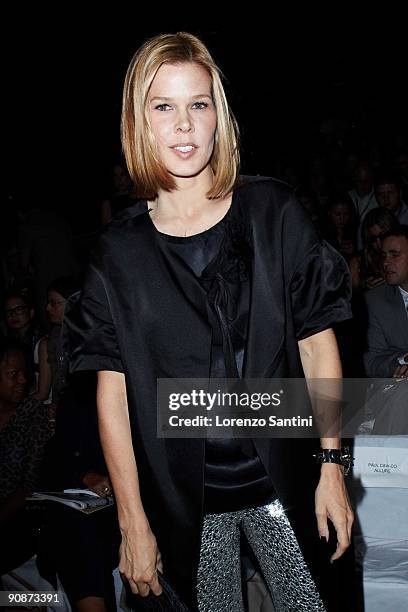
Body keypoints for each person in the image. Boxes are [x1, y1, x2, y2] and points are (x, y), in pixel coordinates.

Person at [65, 32, 354, 611]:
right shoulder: (115, 256)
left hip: (290, 484)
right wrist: (132, 521)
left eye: (198, 105)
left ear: (218, 117)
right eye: (163, 106)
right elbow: (113, 396)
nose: (184, 125)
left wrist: (331, 465)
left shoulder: (274, 212)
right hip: (185, 508)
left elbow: (318, 349)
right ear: (139, 122)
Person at [364, 225, 408, 378]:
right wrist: (403, 362)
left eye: (394, 255)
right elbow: (372, 362)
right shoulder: (376, 299)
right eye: (384, 256)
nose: (386, 263)